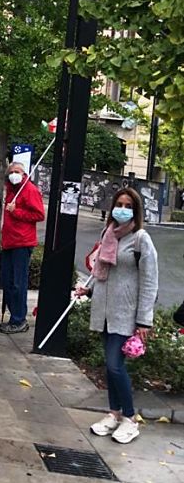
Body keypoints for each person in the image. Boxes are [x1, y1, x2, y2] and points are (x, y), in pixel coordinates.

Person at [75, 188, 158, 444]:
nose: (122, 208)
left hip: (126, 314)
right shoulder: (108, 234)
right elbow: (102, 272)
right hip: (104, 311)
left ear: (135, 210)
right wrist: (88, 290)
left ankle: (130, 419)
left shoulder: (141, 239)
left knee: (115, 365)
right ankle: (113, 413)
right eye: (118, 204)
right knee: (109, 368)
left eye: (128, 205)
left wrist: (144, 319)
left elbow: (150, 281)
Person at [0, 161, 45, 335]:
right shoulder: (11, 189)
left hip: (22, 242)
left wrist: (16, 211)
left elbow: (39, 214)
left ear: (24, 173)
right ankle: (14, 317)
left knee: (18, 283)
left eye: (17, 171)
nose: (14, 174)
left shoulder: (30, 190)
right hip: (10, 242)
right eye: (11, 171)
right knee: (7, 281)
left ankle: (19, 319)